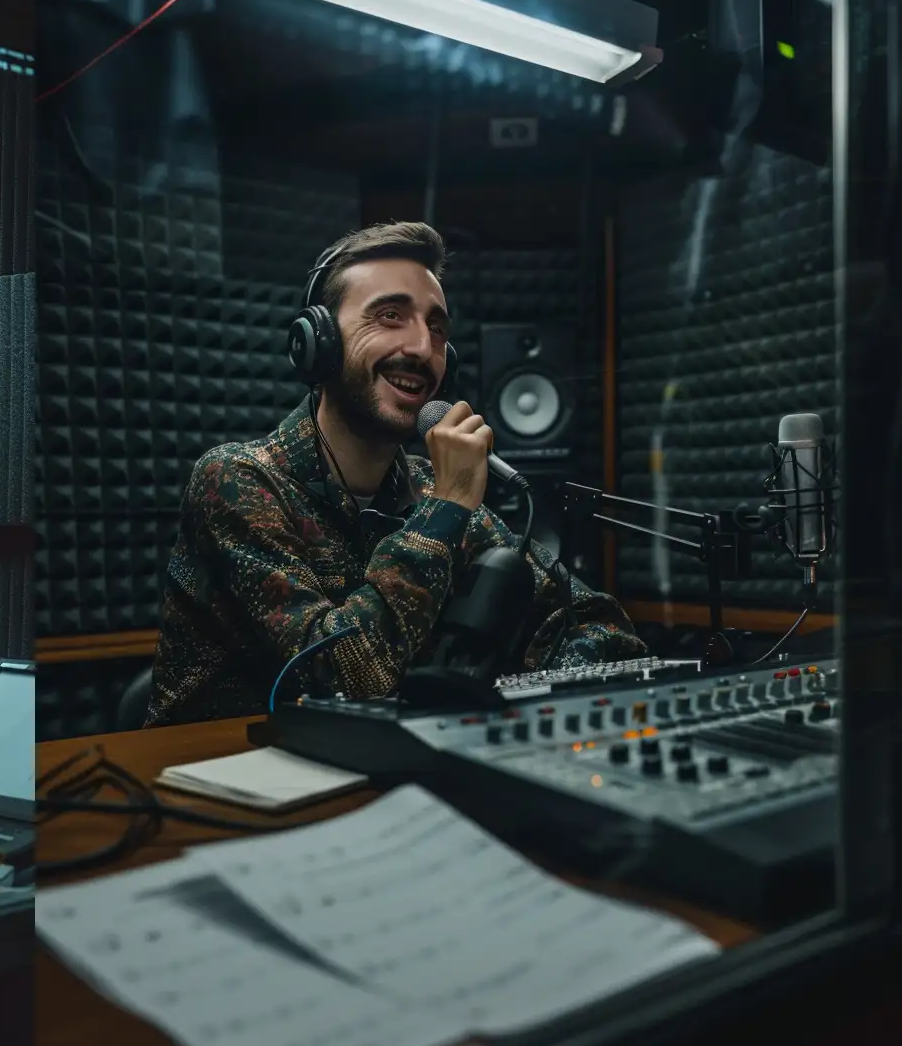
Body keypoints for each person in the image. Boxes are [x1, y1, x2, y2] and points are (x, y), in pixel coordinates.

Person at [148, 223, 641, 723]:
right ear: (318, 341)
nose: (423, 348)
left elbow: (600, 627)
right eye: (389, 316)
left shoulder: (433, 486)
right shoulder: (237, 480)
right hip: (217, 778)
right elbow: (341, 679)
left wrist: (519, 701)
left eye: (437, 328)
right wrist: (444, 512)